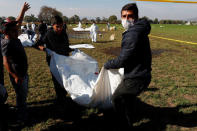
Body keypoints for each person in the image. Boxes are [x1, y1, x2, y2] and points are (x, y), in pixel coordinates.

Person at [104, 3, 152, 129]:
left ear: (136, 17)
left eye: (129, 16)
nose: (126, 19)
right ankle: (130, 116)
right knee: (128, 99)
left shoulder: (133, 34)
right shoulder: (139, 29)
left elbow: (122, 60)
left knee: (117, 98)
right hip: (140, 72)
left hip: (137, 76)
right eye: (124, 16)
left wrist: (107, 64)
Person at [1, 2, 30, 122]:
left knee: (23, 94)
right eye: (14, 30)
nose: (17, 31)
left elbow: (18, 22)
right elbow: (5, 62)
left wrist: (23, 11)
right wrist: (15, 76)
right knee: (21, 95)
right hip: (17, 74)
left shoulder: (13, 36)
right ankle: (21, 116)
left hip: (23, 72)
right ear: (6, 32)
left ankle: (22, 111)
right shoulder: (6, 43)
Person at [37, 15, 73, 103]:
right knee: (57, 78)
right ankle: (60, 96)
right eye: (57, 27)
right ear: (52, 25)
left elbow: (66, 45)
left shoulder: (63, 32)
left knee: (65, 76)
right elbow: (37, 44)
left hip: (64, 58)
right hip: (54, 60)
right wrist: (45, 49)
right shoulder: (48, 33)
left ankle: (63, 94)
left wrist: (72, 49)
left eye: (61, 26)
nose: (60, 28)